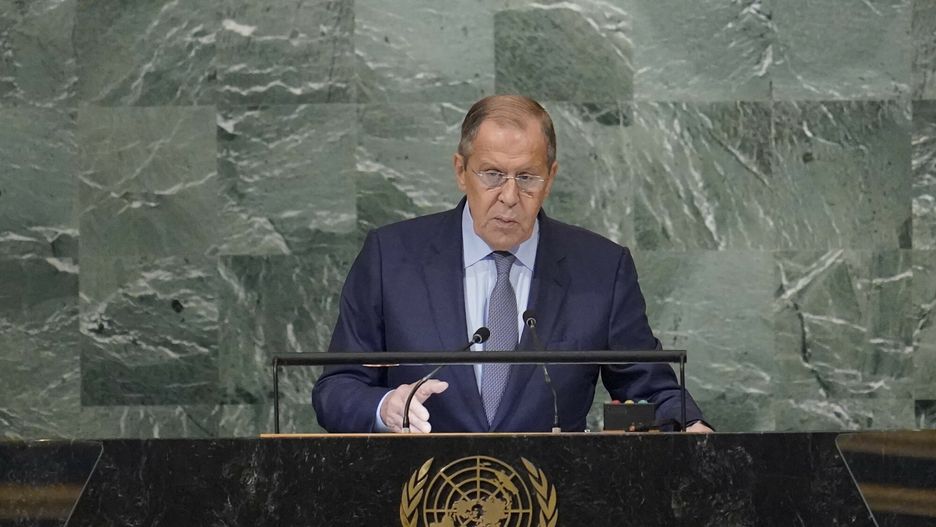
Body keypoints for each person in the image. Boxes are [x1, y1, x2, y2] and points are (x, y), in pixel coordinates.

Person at [312, 95, 711, 434]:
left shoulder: (601, 269)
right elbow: (338, 387)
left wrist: (689, 425)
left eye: (526, 177)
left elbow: (650, 388)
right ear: (460, 171)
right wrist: (385, 408)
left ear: (550, 178)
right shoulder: (391, 257)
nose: (508, 195)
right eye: (492, 174)